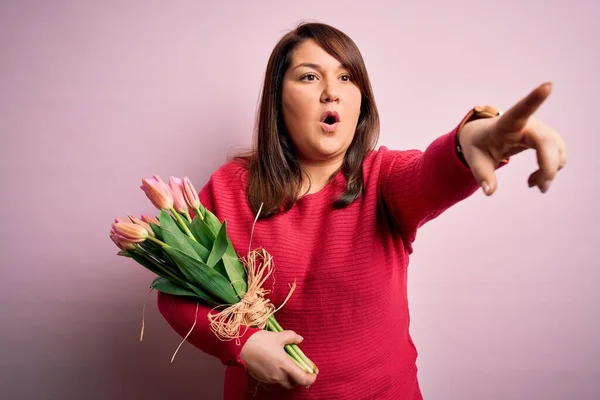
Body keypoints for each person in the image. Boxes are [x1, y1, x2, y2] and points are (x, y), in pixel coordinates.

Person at [156, 22, 567, 400]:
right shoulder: (229, 188)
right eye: (309, 76)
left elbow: (432, 171)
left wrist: (477, 136)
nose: (331, 90)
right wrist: (241, 344)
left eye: (346, 77)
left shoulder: (384, 178)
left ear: (361, 103)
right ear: (278, 99)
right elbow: (178, 295)